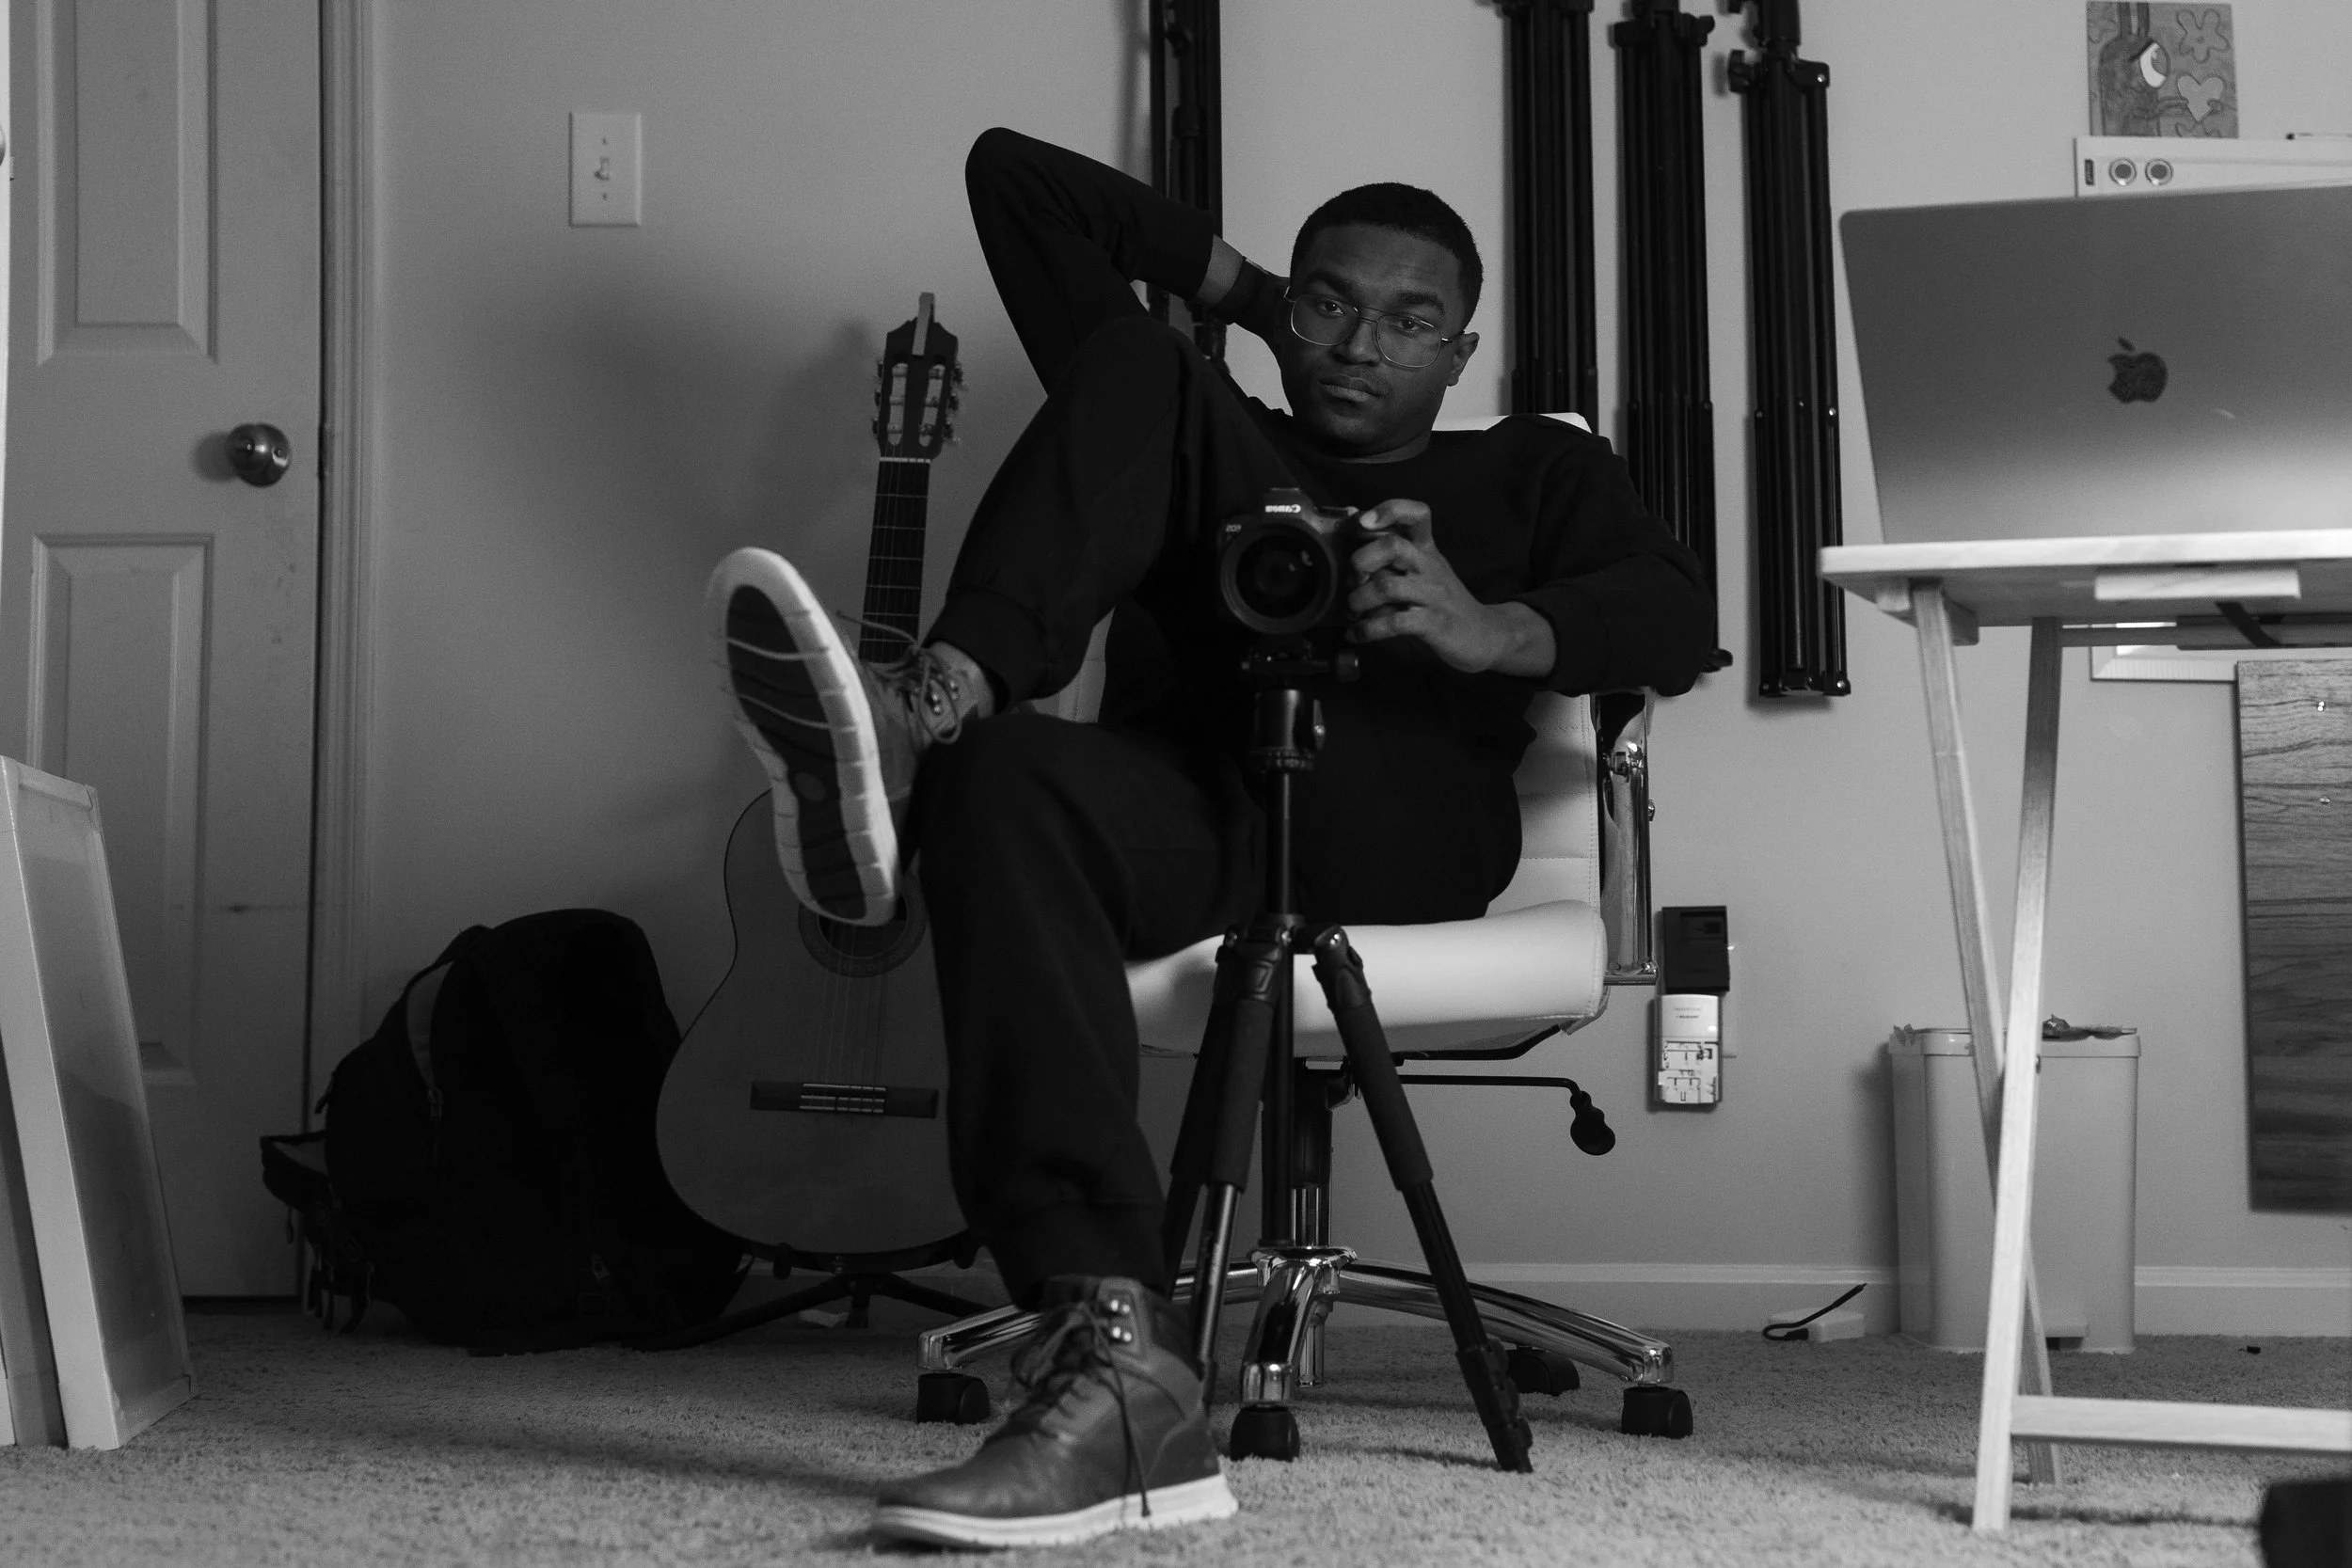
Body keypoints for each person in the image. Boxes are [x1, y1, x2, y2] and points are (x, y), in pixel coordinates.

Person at [707, 127, 1714, 1548]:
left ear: (1461, 351)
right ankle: (1116, 1361)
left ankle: (912, 727)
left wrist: (1491, 627)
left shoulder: (1532, 468)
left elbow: (1682, 618)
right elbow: (1015, 180)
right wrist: (1241, 296)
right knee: (1005, 772)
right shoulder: (1198, 426)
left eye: (1408, 321)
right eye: (1329, 304)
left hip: (1397, 815)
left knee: (1147, 376)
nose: (1359, 345)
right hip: (1192, 802)